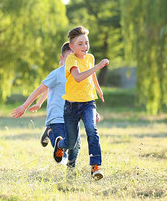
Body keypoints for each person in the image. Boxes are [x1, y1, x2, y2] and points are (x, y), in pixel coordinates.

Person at [53, 26, 109, 180]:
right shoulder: (71, 59)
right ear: (71, 47)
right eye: (80, 44)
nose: (85, 47)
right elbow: (78, 77)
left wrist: (98, 89)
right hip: (71, 106)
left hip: (88, 103)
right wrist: (98, 67)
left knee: (92, 129)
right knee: (71, 143)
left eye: (86, 43)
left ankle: (95, 167)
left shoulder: (90, 58)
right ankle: (60, 145)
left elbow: (92, 76)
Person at [12, 42, 81, 167]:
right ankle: (60, 151)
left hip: (72, 117)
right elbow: (41, 89)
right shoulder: (57, 74)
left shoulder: (78, 76)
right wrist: (25, 106)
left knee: (75, 146)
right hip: (57, 115)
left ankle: (70, 170)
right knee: (60, 139)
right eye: (69, 58)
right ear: (62, 58)